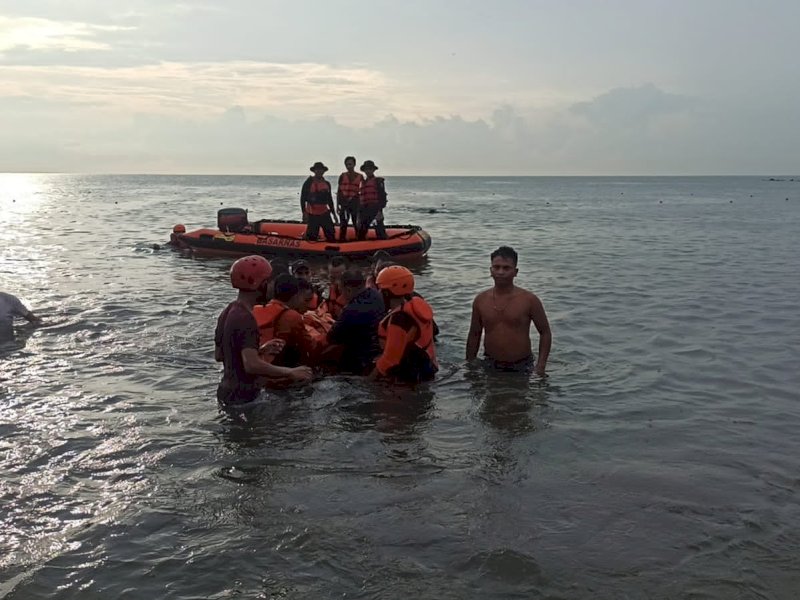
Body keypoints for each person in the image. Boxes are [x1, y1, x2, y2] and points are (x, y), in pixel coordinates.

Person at [214, 256, 313, 406]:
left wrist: (258, 350)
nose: (272, 287)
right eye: (270, 282)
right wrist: (290, 372)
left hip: (225, 392)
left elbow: (220, 355)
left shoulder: (228, 311)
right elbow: (251, 365)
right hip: (244, 397)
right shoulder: (247, 318)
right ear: (261, 284)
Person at [466, 246, 551, 376]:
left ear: (515, 272)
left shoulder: (529, 300)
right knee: (490, 396)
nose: (500, 272)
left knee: (520, 396)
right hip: (490, 363)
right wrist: (470, 364)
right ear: (490, 270)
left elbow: (545, 332)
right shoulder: (481, 300)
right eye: (496, 267)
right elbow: (474, 334)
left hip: (522, 365)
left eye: (506, 268)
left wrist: (540, 366)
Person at [369, 266, 438, 382]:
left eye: (380, 290)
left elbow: (390, 360)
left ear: (387, 292)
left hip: (409, 377)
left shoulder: (399, 319)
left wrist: (368, 381)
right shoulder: (415, 306)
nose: (379, 293)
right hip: (427, 368)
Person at [325, 269, 385, 374]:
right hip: (379, 350)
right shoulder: (377, 295)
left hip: (361, 360)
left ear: (348, 290)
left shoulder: (352, 310)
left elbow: (332, 337)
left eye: (341, 290)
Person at [252, 274, 317, 368]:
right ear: (296, 295)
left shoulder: (255, 310)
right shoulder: (292, 316)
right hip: (278, 370)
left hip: (256, 363)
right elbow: (309, 347)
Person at [300, 161, 338, 242]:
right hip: (312, 213)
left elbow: (330, 200)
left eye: (321, 170)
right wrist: (304, 213)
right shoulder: (308, 182)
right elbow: (303, 198)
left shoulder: (327, 183)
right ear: (314, 171)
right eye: (317, 170)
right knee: (312, 236)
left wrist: (334, 214)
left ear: (324, 171)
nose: (319, 171)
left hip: (324, 212)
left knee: (331, 233)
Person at [356, 160, 387, 241]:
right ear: (364, 170)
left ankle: (384, 246)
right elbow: (360, 198)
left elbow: (382, 196)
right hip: (364, 210)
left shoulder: (378, 181)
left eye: (370, 169)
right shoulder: (362, 182)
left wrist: (380, 211)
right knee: (361, 231)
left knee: (379, 230)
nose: (368, 171)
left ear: (373, 170)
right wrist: (359, 212)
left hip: (375, 209)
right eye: (366, 169)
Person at [337, 156, 363, 241]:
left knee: (357, 224)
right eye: (347, 164)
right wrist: (337, 205)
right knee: (343, 224)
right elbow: (339, 191)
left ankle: (359, 241)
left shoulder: (360, 176)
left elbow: (363, 192)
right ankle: (342, 241)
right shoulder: (342, 176)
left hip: (355, 204)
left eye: (350, 164)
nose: (349, 166)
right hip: (344, 204)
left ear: (354, 164)